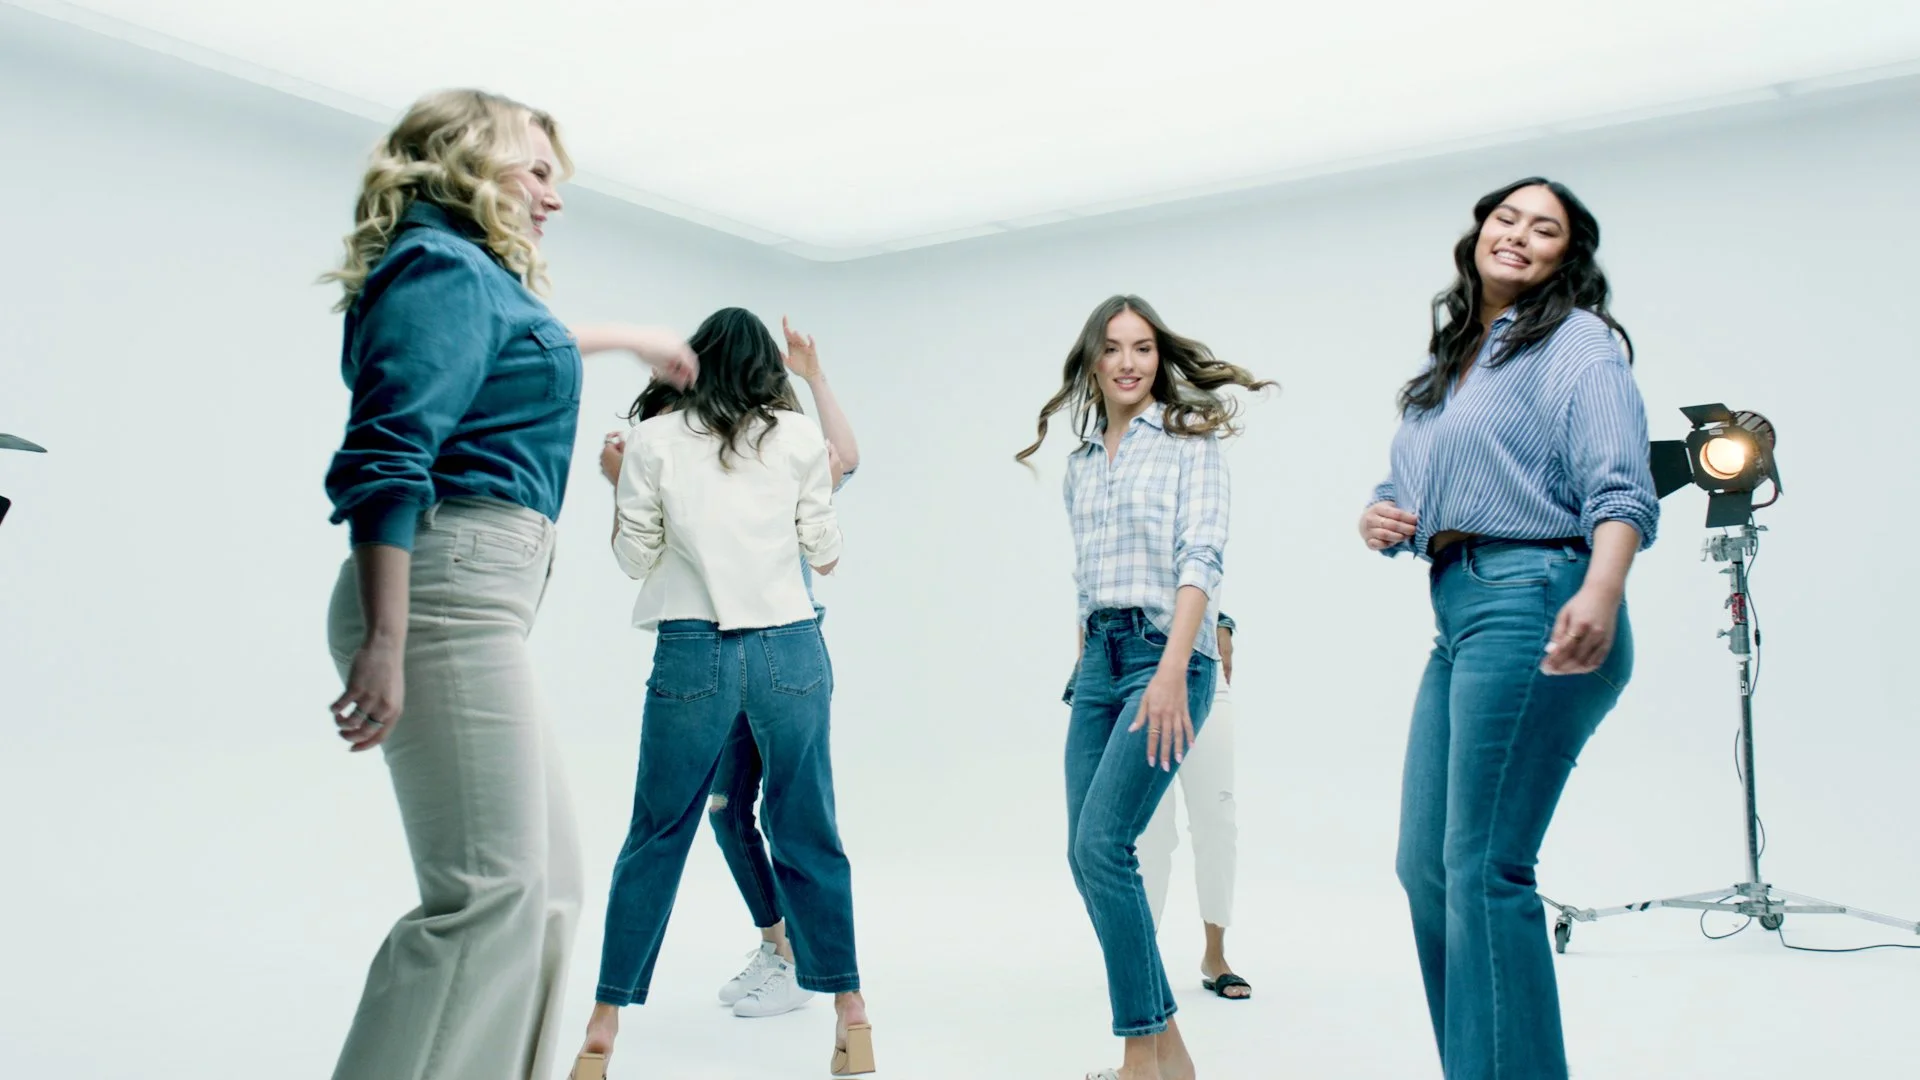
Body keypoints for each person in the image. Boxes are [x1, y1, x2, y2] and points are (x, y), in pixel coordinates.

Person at [319, 89, 695, 1080]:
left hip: (478, 596)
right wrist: (388, 639)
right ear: (466, 165)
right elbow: (387, 454)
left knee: (549, 889)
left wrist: (627, 337)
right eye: (536, 171)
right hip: (436, 597)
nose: (553, 198)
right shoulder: (437, 269)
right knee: (487, 895)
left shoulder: (471, 279)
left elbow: (517, 349)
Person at [1362, 177, 1659, 1080]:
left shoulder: (1578, 344)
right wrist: (1382, 514)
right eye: (1506, 218)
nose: (1520, 235)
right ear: (1479, 231)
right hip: (1458, 608)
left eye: (1546, 229)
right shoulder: (1452, 364)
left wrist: (1601, 590)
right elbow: (1414, 482)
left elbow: (1621, 487)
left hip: (1537, 597)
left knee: (1486, 868)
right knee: (1430, 870)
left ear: (1566, 257)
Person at [572, 308, 874, 1079]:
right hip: (791, 647)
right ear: (768, 373)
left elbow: (636, 558)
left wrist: (628, 493)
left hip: (693, 650)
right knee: (810, 831)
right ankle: (852, 1014)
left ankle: (603, 1027)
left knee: (655, 835)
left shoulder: (652, 441)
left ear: (695, 365)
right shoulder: (802, 439)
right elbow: (826, 555)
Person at [1017, 294, 1272, 1080]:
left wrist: (1170, 672)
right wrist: (1088, 663)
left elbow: (1203, 559)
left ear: (1160, 360)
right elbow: (1088, 579)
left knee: (1104, 844)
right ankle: (1174, 1055)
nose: (1130, 362)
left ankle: (1140, 1060)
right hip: (1098, 662)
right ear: (1093, 359)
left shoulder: (1190, 442)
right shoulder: (1082, 462)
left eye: (1144, 349)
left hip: (1169, 658)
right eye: (1115, 348)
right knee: (1085, 852)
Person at [1133, 609, 1249, 1000]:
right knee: (1151, 831)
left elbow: (1203, 562)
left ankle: (1215, 957)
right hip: (1139, 672)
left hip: (1202, 669)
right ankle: (1142, 958)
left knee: (1217, 818)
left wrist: (1223, 623)